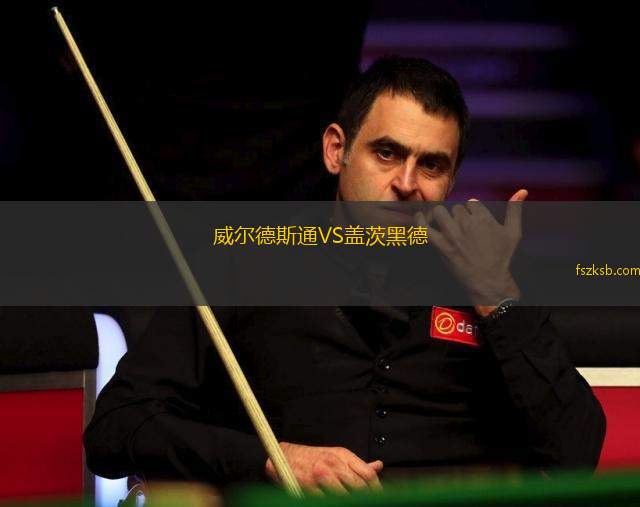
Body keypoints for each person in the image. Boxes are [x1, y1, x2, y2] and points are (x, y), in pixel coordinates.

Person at [83, 57, 606, 492]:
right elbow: (115, 429)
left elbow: (577, 452)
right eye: (387, 153)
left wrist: (497, 296)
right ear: (337, 150)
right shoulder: (240, 266)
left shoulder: (490, 282)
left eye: (431, 165)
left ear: (450, 181)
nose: (406, 183)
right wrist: (274, 459)